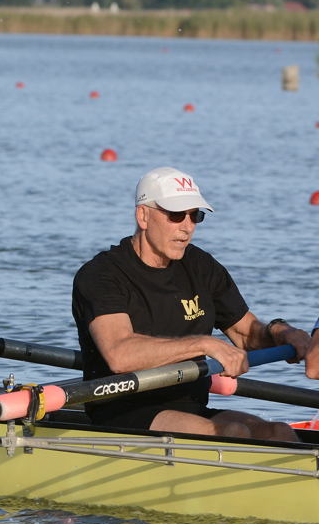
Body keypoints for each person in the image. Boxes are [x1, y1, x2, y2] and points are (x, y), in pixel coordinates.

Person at [72, 166, 308, 440]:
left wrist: (282, 331)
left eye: (195, 215)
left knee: (278, 432)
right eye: (175, 215)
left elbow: (247, 334)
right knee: (231, 433)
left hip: (190, 407)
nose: (187, 227)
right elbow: (120, 354)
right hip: (122, 409)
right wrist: (203, 344)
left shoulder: (201, 266)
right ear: (143, 216)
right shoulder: (102, 275)